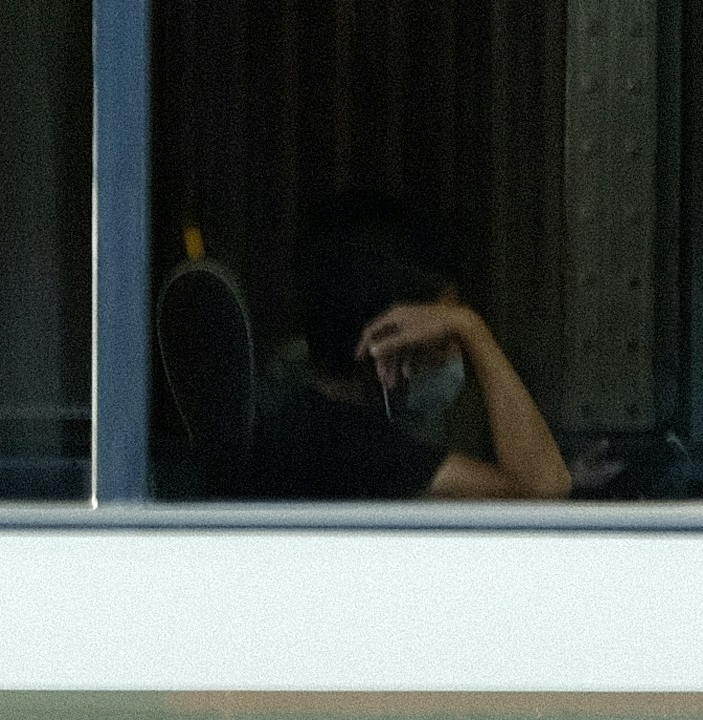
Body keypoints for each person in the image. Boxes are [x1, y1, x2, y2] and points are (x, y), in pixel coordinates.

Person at [242, 190, 574, 503]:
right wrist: (474, 330)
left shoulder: (303, 421)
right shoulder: (352, 447)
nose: (455, 356)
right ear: (389, 341)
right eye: (444, 337)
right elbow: (543, 490)